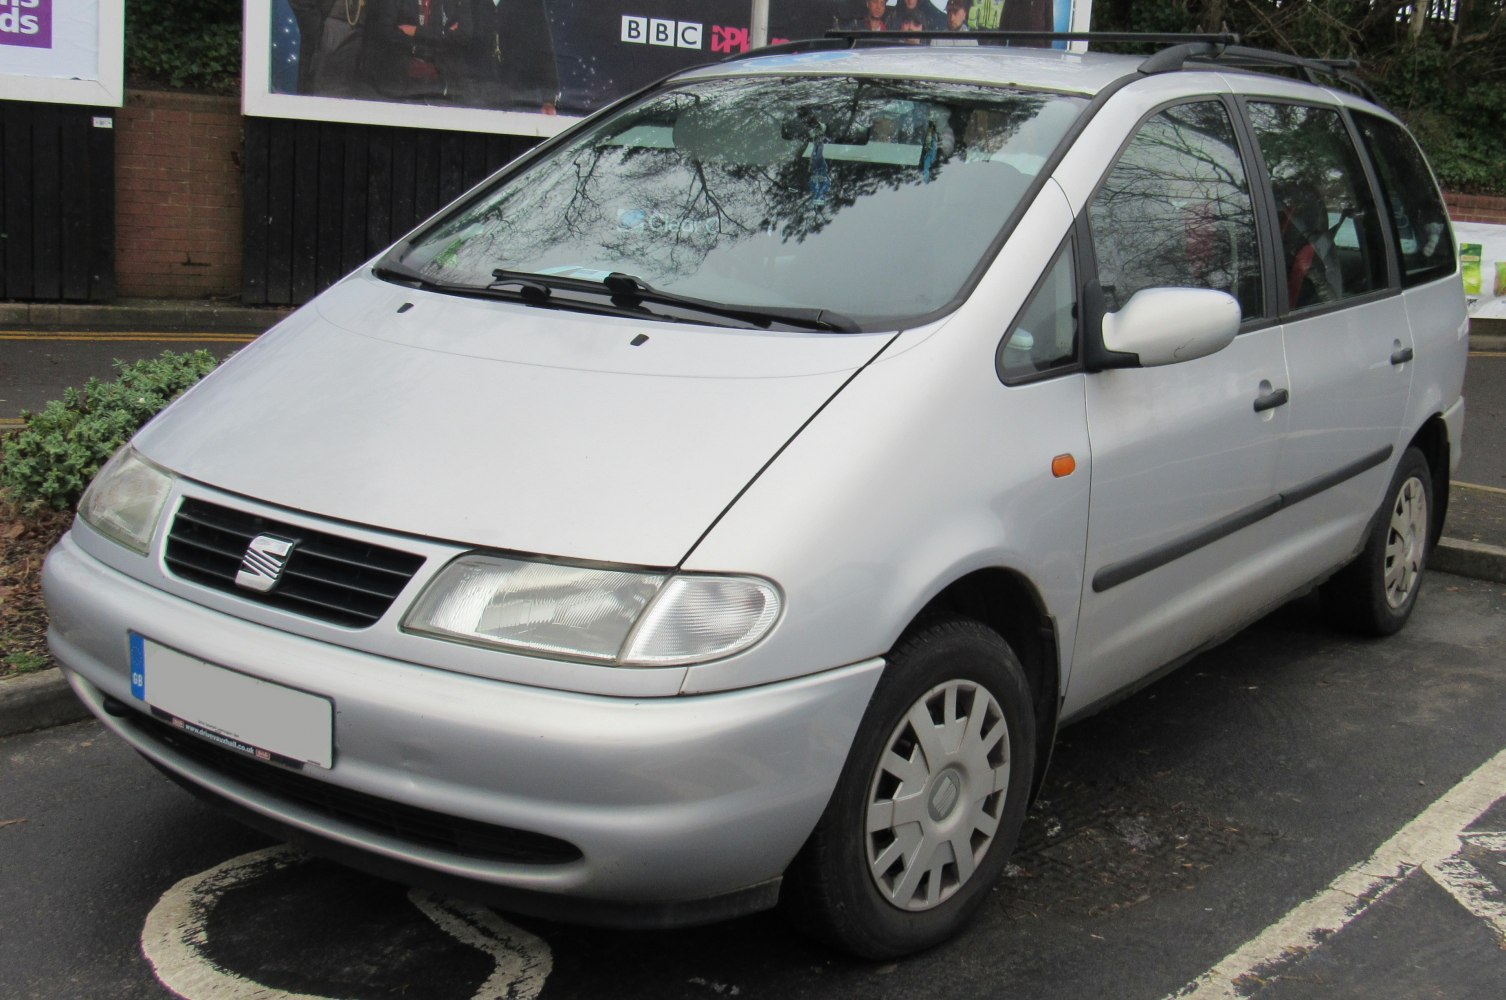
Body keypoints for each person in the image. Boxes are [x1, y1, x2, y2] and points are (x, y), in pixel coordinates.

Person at [445, 0, 559, 113]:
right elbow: (450, 41)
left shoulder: (530, 3)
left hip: (519, 98)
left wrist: (549, 99)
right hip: (475, 97)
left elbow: (543, 46)